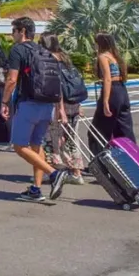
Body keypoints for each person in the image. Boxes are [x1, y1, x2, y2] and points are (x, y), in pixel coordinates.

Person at [0, 16, 68, 203]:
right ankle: (36, 189)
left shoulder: (18, 50)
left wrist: (4, 102)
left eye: (13, 30)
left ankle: (54, 174)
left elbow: (12, 79)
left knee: (19, 146)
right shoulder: (44, 50)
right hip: (47, 105)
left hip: (28, 103)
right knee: (36, 146)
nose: (12, 34)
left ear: (22, 31)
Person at [39, 34, 86, 185]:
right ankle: (75, 172)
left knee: (53, 138)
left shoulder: (48, 59)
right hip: (73, 103)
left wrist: (60, 110)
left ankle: (52, 171)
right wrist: (79, 104)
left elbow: (56, 87)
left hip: (58, 105)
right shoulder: (65, 57)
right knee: (72, 138)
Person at [90, 32, 136, 153]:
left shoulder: (103, 57)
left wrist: (105, 101)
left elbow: (107, 78)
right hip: (122, 90)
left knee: (97, 131)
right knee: (124, 129)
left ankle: (98, 160)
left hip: (112, 92)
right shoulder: (116, 57)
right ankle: (133, 156)